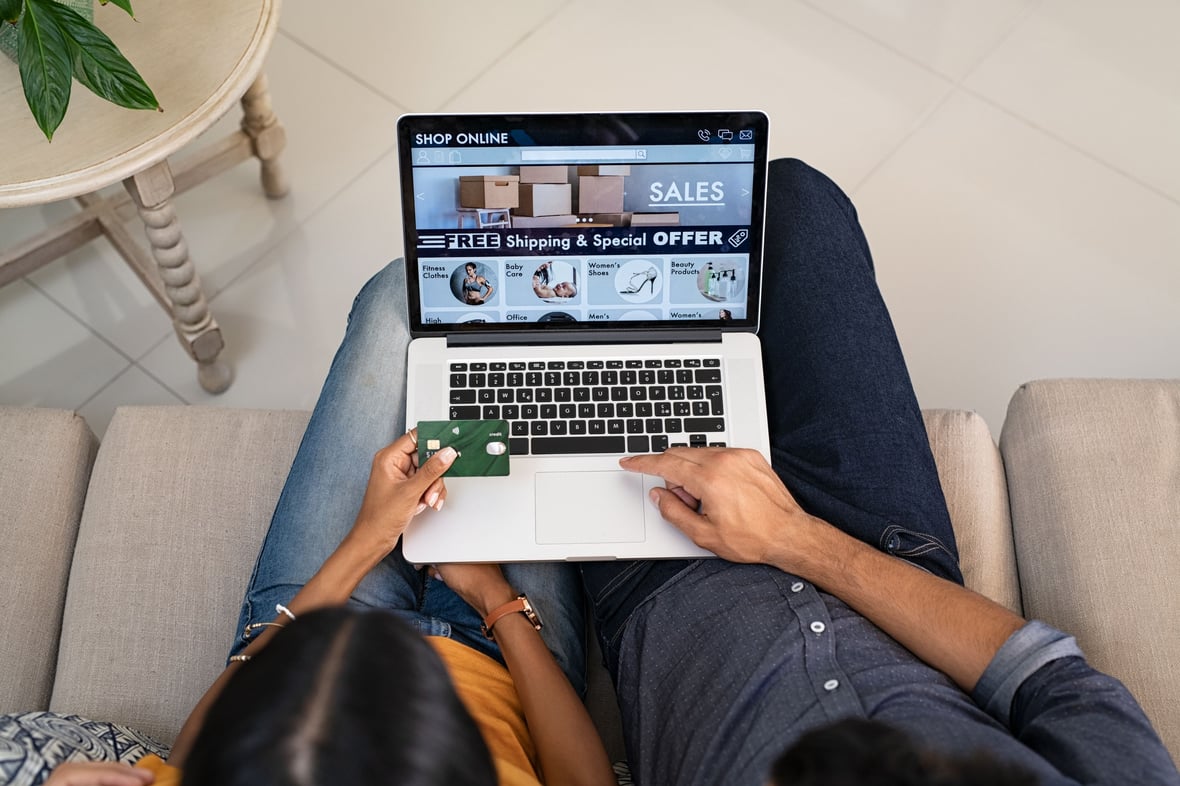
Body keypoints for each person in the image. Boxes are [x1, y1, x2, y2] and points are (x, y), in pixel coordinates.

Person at [578, 159, 1180, 785]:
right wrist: (792, 537)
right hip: (875, 552)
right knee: (791, 197)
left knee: (578, 328)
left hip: (671, 585)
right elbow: (1044, 674)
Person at [46, 262, 613, 785]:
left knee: (403, 289)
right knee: (511, 335)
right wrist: (497, 601)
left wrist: (367, 539)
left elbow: (197, 749)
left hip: (310, 633)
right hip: (507, 659)